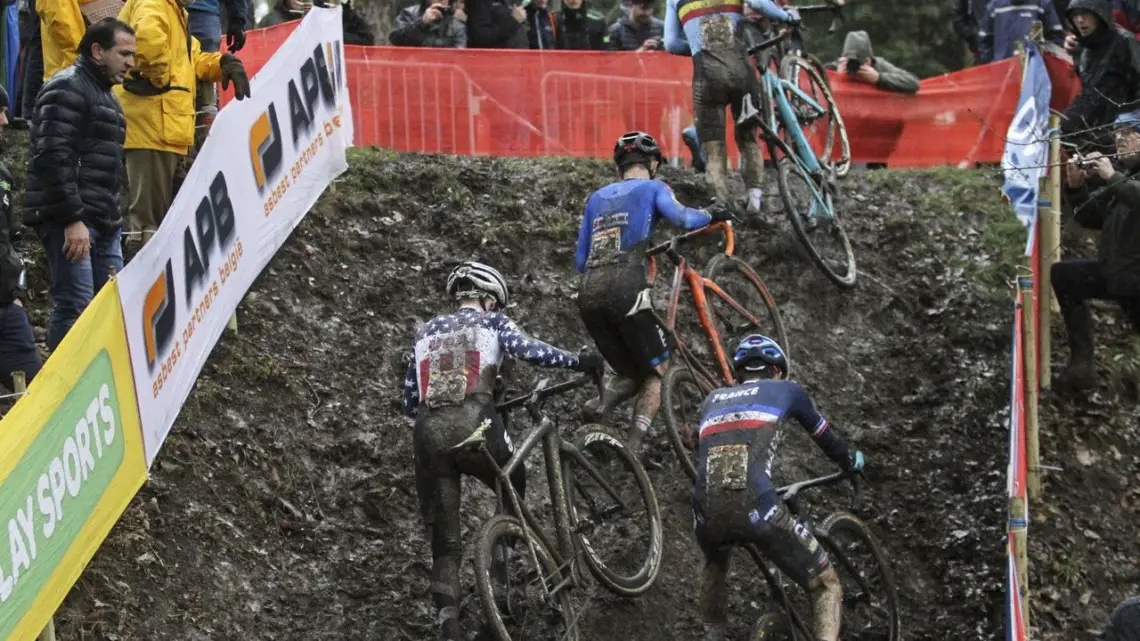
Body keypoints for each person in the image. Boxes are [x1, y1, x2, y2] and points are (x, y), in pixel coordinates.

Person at [401, 261, 601, 641]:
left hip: (427, 433)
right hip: (474, 418)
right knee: (514, 480)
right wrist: (578, 360)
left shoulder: (423, 332)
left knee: (445, 541)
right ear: (490, 300)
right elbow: (530, 350)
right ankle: (502, 584)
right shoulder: (492, 324)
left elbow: (411, 400)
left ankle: (448, 626)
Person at [692, 335, 864, 641]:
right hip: (757, 503)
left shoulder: (711, 400)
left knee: (715, 562)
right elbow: (826, 438)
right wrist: (850, 462)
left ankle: (712, 635)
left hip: (705, 509)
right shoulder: (788, 390)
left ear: (740, 372)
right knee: (826, 585)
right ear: (776, 371)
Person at [575, 131, 730, 456]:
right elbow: (683, 218)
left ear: (619, 168)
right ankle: (633, 445)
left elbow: (580, 260)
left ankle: (598, 405)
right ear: (654, 163)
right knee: (659, 371)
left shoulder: (595, 199)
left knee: (631, 371)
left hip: (588, 294)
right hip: (626, 289)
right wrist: (713, 213)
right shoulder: (654, 187)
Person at [24, 18, 134, 353]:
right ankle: (63, 394)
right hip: (71, 221)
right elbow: (51, 157)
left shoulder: (109, 99)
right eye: (124, 53)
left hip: (104, 223)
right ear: (98, 51)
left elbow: (107, 170)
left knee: (111, 312)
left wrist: (112, 220)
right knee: (76, 307)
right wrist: (73, 219)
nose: (131, 62)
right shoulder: (67, 87)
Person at [115, 0, 251, 254]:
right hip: (151, 129)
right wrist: (160, 77)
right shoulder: (154, 4)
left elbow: (192, 59)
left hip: (165, 129)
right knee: (145, 230)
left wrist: (222, 64)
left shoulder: (174, 11)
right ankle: (139, 287)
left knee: (155, 228)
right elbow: (146, 42)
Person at [663, 0, 794, 214]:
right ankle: (754, 200)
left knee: (713, 146)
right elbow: (759, 3)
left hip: (706, 79)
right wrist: (787, 17)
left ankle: (721, 207)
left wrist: (698, 46)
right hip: (741, 73)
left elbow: (670, 44)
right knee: (748, 137)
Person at [1051, 110, 1140, 390]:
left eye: (1128, 134)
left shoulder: (1123, 181)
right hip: (1120, 276)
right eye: (1117, 134)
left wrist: (1111, 177)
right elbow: (1092, 218)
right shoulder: (1125, 177)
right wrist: (1076, 187)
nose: (1119, 141)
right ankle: (1082, 365)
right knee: (1065, 276)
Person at [0, 85, 42, 389]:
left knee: (32, 385)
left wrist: (16, 291)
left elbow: (12, 236)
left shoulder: (3, 173)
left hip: (6, 304)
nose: (4, 120)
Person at [1060, 0, 1140, 153]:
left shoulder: (1123, 42)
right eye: (1075, 15)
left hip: (1122, 129)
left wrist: (1129, 120)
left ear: (1099, 15)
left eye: (1085, 13)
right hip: (1088, 130)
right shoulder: (1083, 48)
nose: (1080, 20)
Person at [978, 0, 1065, 63]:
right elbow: (985, 41)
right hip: (1001, 72)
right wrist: (992, 65)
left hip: (1034, 73)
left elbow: (1056, 40)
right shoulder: (995, 6)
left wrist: (1043, 62)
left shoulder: (1042, 4)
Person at [390, 0, 468, 48]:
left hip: (442, 71)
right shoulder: (409, 14)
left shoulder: (456, 24)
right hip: (413, 70)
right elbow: (395, 39)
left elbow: (459, 56)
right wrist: (421, 22)